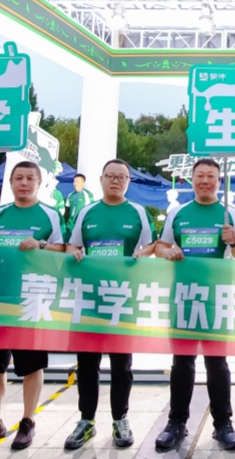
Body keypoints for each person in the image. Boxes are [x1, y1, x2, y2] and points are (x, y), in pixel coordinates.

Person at [0, 161, 65, 451]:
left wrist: (41, 245)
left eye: (30, 178)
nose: (24, 183)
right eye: (19, 178)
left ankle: (27, 420)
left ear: (39, 183)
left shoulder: (51, 214)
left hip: (31, 300)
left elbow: (64, 249)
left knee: (31, 364)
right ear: (10, 183)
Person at [154, 158, 235, 452]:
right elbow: (160, 247)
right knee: (182, 362)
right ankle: (176, 423)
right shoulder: (177, 213)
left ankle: (223, 424)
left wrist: (234, 241)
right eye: (200, 176)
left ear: (219, 181)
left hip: (217, 299)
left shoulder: (231, 213)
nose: (205, 181)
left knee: (217, 363)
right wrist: (168, 252)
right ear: (191, 180)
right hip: (183, 297)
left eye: (211, 176)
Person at [63, 158, 155, 450]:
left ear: (128, 182)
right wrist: (74, 252)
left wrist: (142, 255)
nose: (116, 181)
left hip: (122, 299)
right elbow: (72, 244)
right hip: (89, 299)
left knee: (121, 366)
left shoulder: (138, 212)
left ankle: (120, 419)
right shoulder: (87, 212)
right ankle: (86, 421)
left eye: (121, 177)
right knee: (87, 364)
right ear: (101, 179)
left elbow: (151, 245)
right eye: (110, 176)